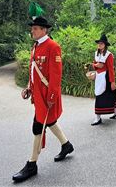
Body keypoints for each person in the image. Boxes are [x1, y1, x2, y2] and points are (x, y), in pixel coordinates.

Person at [12, 16, 74, 182]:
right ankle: (66, 145)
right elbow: (34, 71)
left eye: (35, 28)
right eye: (32, 28)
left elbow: (55, 75)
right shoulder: (35, 47)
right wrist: (29, 88)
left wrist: (52, 96)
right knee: (49, 121)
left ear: (44, 30)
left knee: (38, 126)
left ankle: (32, 164)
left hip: (47, 96)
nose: (32, 31)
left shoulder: (53, 47)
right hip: (38, 95)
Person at [91, 34, 116, 125]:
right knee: (100, 93)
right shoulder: (96, 53)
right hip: (99, 77)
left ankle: (98, 117)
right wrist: (96, 65)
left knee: (108, 95)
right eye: (99, 43)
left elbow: (111, 69)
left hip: (106, 78)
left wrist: (112, 82)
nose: (99, 45)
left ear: (105, 45)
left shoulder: (109, 55)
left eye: (101, 43)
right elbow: (94, 64)